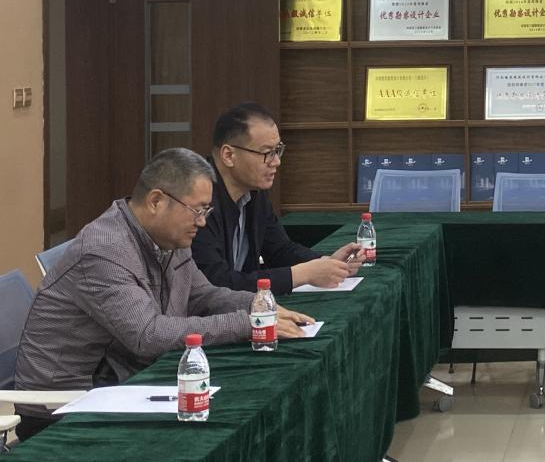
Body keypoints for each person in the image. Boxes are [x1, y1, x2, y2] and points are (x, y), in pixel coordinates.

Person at [14, 148, 314, 441]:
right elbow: (148, 335)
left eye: (206, 211)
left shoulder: (169, 238)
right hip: (66, 408)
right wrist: (245, 324)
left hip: (126, 381)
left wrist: (257, 306)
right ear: (156, 201)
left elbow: (203, 295)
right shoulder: (104, 251)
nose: (202, 222)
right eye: (197, 210)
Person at [192, 102, 361, 294]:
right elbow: (215, 283)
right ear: (229, 155)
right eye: (267, 153)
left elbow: (279, 250)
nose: (276, 162)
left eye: (278, 150)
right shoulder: (197, 201)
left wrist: (327, 262)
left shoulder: (254, 191)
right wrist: (302, 274)